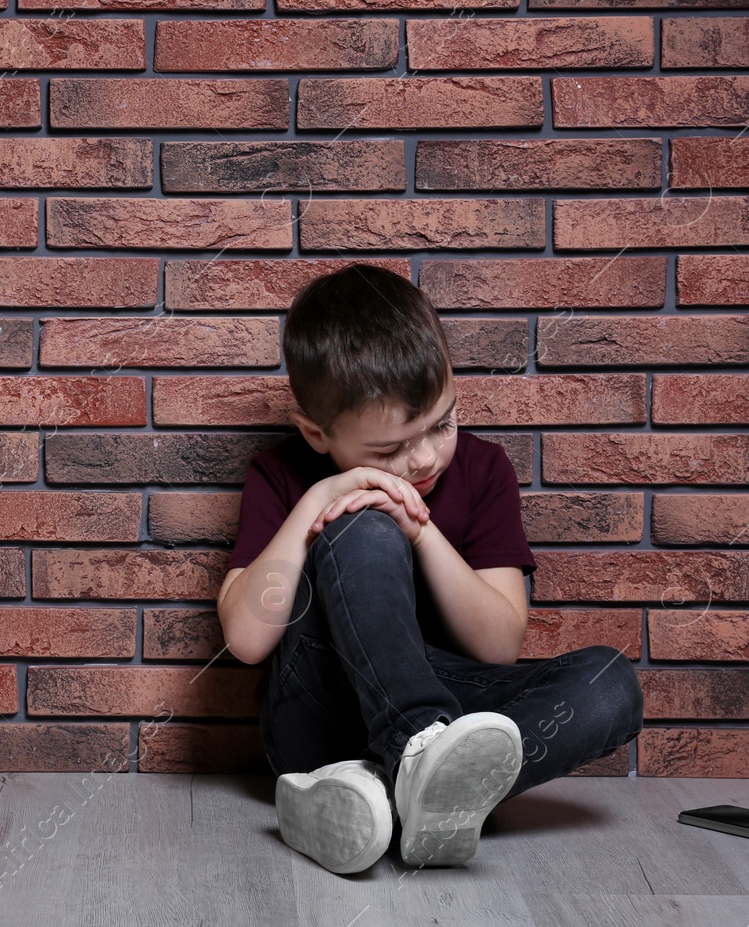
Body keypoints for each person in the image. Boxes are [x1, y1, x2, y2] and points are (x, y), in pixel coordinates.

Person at [216, 263, 644, 874]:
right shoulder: (281, 475)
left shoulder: (483, 470)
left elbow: (497, 646)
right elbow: (248, 641)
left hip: (449, 697)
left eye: (441, 423)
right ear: (316, 432)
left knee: (609, 683)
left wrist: (420, 529)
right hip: (319, 714)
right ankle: (416, 762)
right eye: (389, 449)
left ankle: (379, 794)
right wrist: (318, 504)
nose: (423, 458)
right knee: (362, 523)